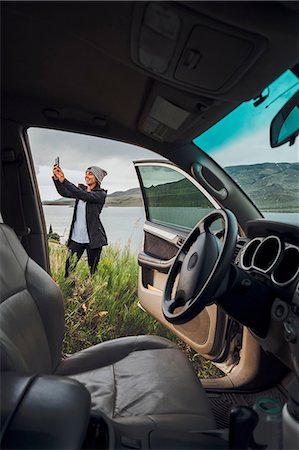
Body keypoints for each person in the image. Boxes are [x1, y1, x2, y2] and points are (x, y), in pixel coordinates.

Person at [52, 164, 108, 277]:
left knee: (93, 271)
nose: (86, 176)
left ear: (97, 178)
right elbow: (64, 192)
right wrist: (57, 179)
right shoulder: (81, 190)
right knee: (69, 268)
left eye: (90, 173)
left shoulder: (100, 195)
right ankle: (70, 290)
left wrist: (64, 180)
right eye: (86, 173)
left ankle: (92, 291)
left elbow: (81, 194)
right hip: (76, 238)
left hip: (93, 238)